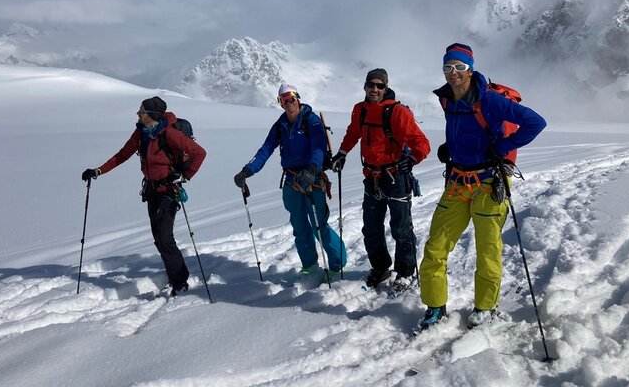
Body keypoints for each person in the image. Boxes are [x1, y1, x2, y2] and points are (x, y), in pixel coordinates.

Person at [418, 43, 546, 330]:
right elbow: (468, 130)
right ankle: (435, 306)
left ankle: (485, 308)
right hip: (457, 181)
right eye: (448, 67)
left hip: (489, 182)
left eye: (459, 67)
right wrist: (451, 146)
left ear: (470, 69)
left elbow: (535, 122)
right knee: (435, 247)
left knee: (487, 250)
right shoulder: (447, 99)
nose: (453, 72)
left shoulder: (489, 100)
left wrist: (503, 146)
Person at [81, 96, 206, 296]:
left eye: (142, 111)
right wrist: (98, 171)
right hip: (151, 190)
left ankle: (180, 281)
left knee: (164, 237)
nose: (138, 114)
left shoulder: (169, 133)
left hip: (168, 191)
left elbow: (199, 152)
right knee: (159, 238)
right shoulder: (141, 132)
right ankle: (175, 276)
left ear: (152, 115)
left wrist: (185, 176)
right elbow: (123, 154)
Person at [330, 68, 430, 296]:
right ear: (365, 86)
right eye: (371, 85)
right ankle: (381, 267)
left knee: (401, 228)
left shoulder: (398, 112)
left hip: (396, 177)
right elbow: (353, 132)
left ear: (386, 88)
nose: (375, 89)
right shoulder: (360, 110)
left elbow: (421, 142)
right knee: (371, 227)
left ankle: (405, 272)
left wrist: (412, 159)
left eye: (380, 86)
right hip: (372, 177)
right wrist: (342, 153)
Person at [233, 83, 347, 278]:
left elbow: (319, 148)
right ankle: (310, 265)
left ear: (298, 98)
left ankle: (337, 264)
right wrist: (248, 170)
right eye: (283, 99)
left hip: (312, 180)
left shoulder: (311, 121)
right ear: (280, 103)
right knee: (299, 225)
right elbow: (266, 149)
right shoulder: (280, 126)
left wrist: (312, 169)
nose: (288, 102)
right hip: (291, 181)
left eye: (291, 98)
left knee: (319, 225)